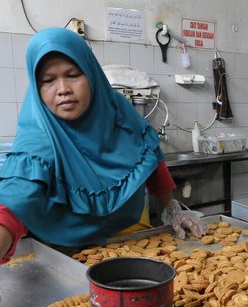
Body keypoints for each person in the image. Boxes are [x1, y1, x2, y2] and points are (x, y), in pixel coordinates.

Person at [0, 27, 206, 264]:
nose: (63, 89)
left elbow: (149, 158)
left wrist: (172, 208)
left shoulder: (118, 112)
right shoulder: (38, 138)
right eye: (48, 80)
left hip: (132, 240)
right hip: (66, 255)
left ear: (91, 74)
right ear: (37, 89)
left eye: (73, 74)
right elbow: (14, 204)